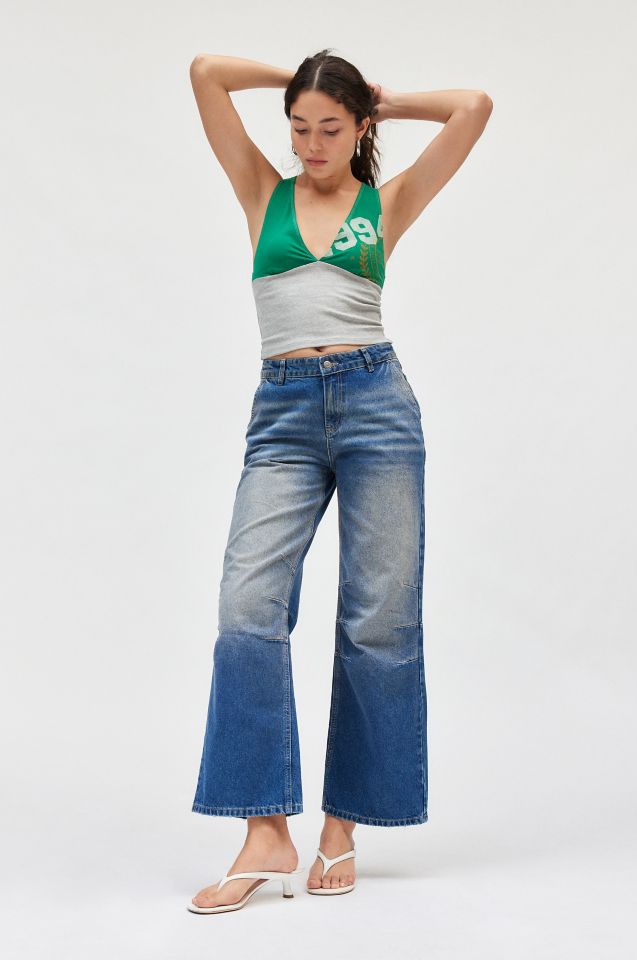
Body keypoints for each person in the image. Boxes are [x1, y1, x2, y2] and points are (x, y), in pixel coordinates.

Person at [186, 48, 493, 914]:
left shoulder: (385, 204)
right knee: (247, 607)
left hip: (377, 406)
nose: (312, 144)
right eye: (299, 127)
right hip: (282, 415)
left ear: (358, 129)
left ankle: (342, 826)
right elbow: (206, 72)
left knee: (378, 620)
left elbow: (473, 106)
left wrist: (383, 101)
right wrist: (302, 74)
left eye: (330, 128)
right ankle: (265, 830)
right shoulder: (263, 192)